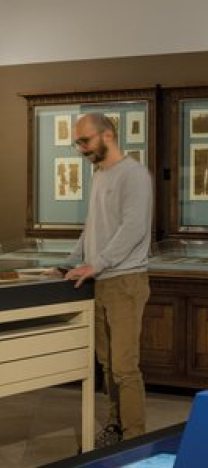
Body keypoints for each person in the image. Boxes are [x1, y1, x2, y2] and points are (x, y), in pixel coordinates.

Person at [65, 113, 153, 446]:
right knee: (106, 363)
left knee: (125, 367)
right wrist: (72, 262)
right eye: (78, 142)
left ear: (108, 135)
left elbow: (133, 229)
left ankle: (134, 438)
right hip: (101, 280)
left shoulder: (134, 175)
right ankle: (116, 427)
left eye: (85, 141)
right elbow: (92, 226)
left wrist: (97, 263)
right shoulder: (99, 174)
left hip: (125, 281)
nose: (81, 148)